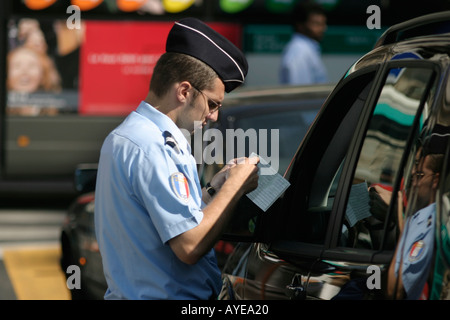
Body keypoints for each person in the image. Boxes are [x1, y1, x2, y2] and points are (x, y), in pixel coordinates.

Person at [94, 17, 259, 300]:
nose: (214, 115)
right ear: (184, 91)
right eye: (212, 103)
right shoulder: (152, 145)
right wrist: (236, 186)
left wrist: (213, 191)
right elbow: (189, 246)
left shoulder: (139, 136)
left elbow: (167, 221)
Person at [279, 1, 328, 85]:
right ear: (300, 25)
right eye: (316, 24)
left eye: (323, 24)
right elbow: (300, 95)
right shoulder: (299, 52)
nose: (323, 29)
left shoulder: (305, 49)